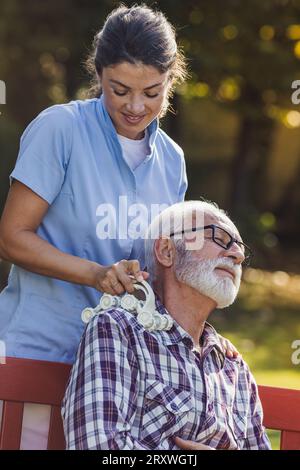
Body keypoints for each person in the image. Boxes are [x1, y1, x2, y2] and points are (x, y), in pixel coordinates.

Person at [0, 5, 236, 449]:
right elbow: (11, 238)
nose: (135, 106)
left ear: (171, 81)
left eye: (152, 92)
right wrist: (96, 274)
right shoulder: (61, 129)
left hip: (122, 372)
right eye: (119, 89)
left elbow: (166, 266)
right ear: (99, 74)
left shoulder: (172, 162)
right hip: (40, 352)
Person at [62, 200, 271, 450]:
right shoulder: (118, 330)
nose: (237, 255)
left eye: (239, 247)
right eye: (218, 237)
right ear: (166, 251)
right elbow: (97, 447)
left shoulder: (232, 365)